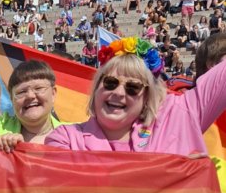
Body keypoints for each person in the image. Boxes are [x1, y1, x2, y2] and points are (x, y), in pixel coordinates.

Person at [45, 46, 226, 158]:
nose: (118, 93)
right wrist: (170, 173)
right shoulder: (65, 138)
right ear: (96, 87)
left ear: (147, 97)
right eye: (110, 83)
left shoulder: (180, 115)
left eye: (132, 88)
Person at [0, 60, 64, 152]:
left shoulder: (77, 135)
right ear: (12, 99)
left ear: (53, 94)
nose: (30, 96)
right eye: (21, 92)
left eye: (38, 88)